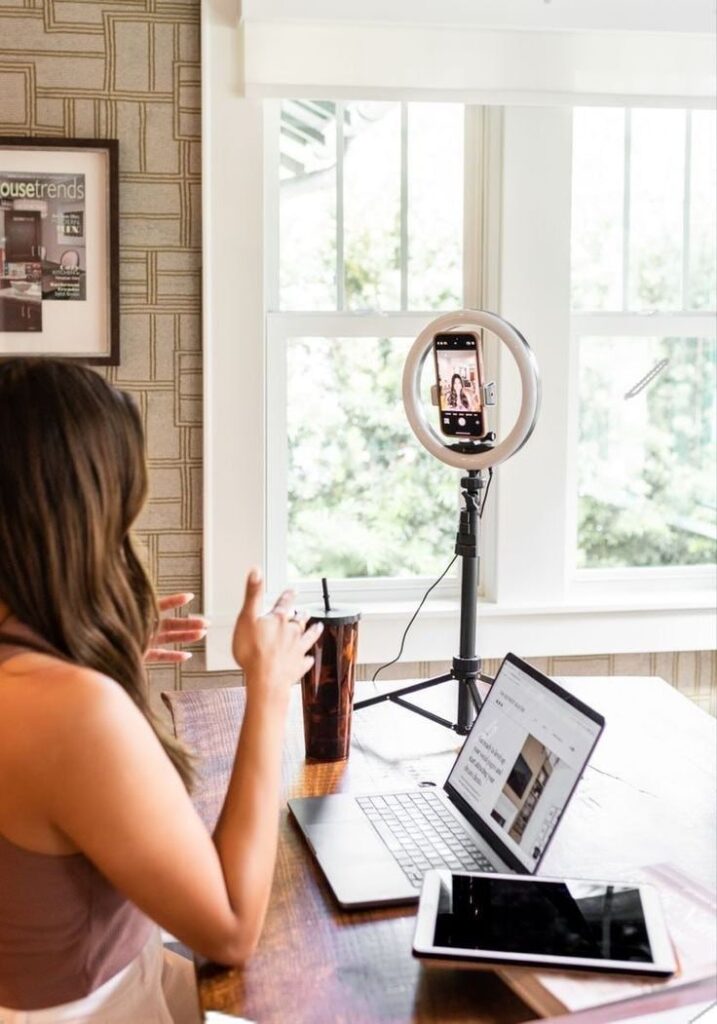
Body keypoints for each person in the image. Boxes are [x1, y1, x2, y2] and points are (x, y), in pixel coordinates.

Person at [0, 358, 322, 1023]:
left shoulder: (40, 682)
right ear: (82, 513)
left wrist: (87, 655)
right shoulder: (71, 713)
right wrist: (267, 689)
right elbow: (230, 930)